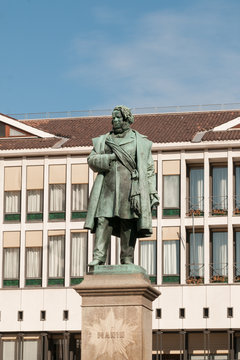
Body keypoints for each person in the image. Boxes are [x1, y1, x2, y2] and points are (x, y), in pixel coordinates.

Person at [84, 105, 159, 266]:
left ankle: (127, 258)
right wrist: (109, 158)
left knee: (128, 222)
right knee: (103, 220)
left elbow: (149, 169)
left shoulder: (140, 142)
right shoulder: (104, 140)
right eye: (113, 118)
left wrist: (152, 192)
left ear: (127, 120)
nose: (115, 121)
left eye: (118, 117)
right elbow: (91, 160)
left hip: (130, 188)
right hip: (107, 188)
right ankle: (99, 257)